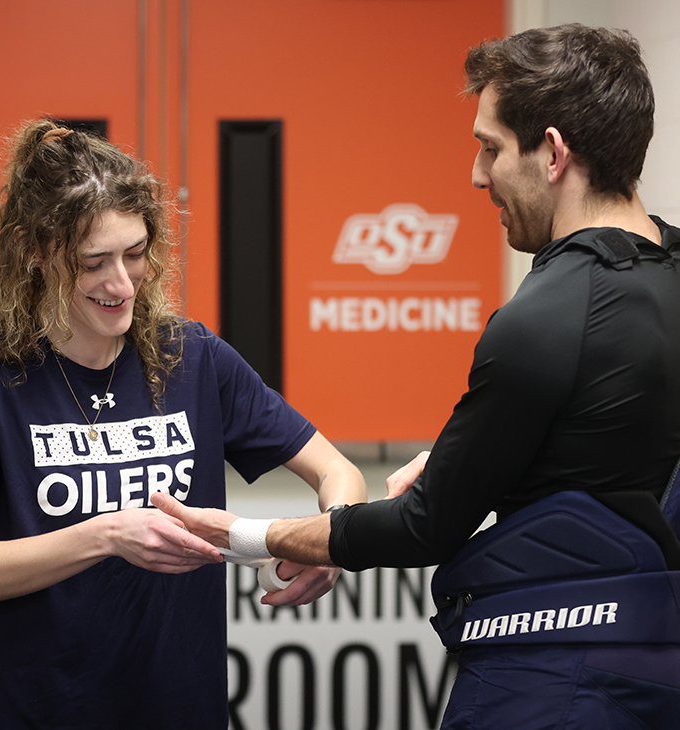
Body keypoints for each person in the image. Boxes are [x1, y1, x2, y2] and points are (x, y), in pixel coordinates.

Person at [153, 24, 680, 729]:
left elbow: (425, 528)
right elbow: (626, 441)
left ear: (552, 153)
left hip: (552, 685)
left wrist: (247, 536)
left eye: (490, 148)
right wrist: (487, 457)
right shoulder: (661, 277)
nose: (476, 175)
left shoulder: (547, 315)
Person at [0, 120, 367, 730]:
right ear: (36, 252)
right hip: (35, 710)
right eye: (94, 262)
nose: (122, 284)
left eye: (136, 254)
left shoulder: (192, 357)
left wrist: (331, 540)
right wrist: (106, 535)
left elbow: (337, 470)